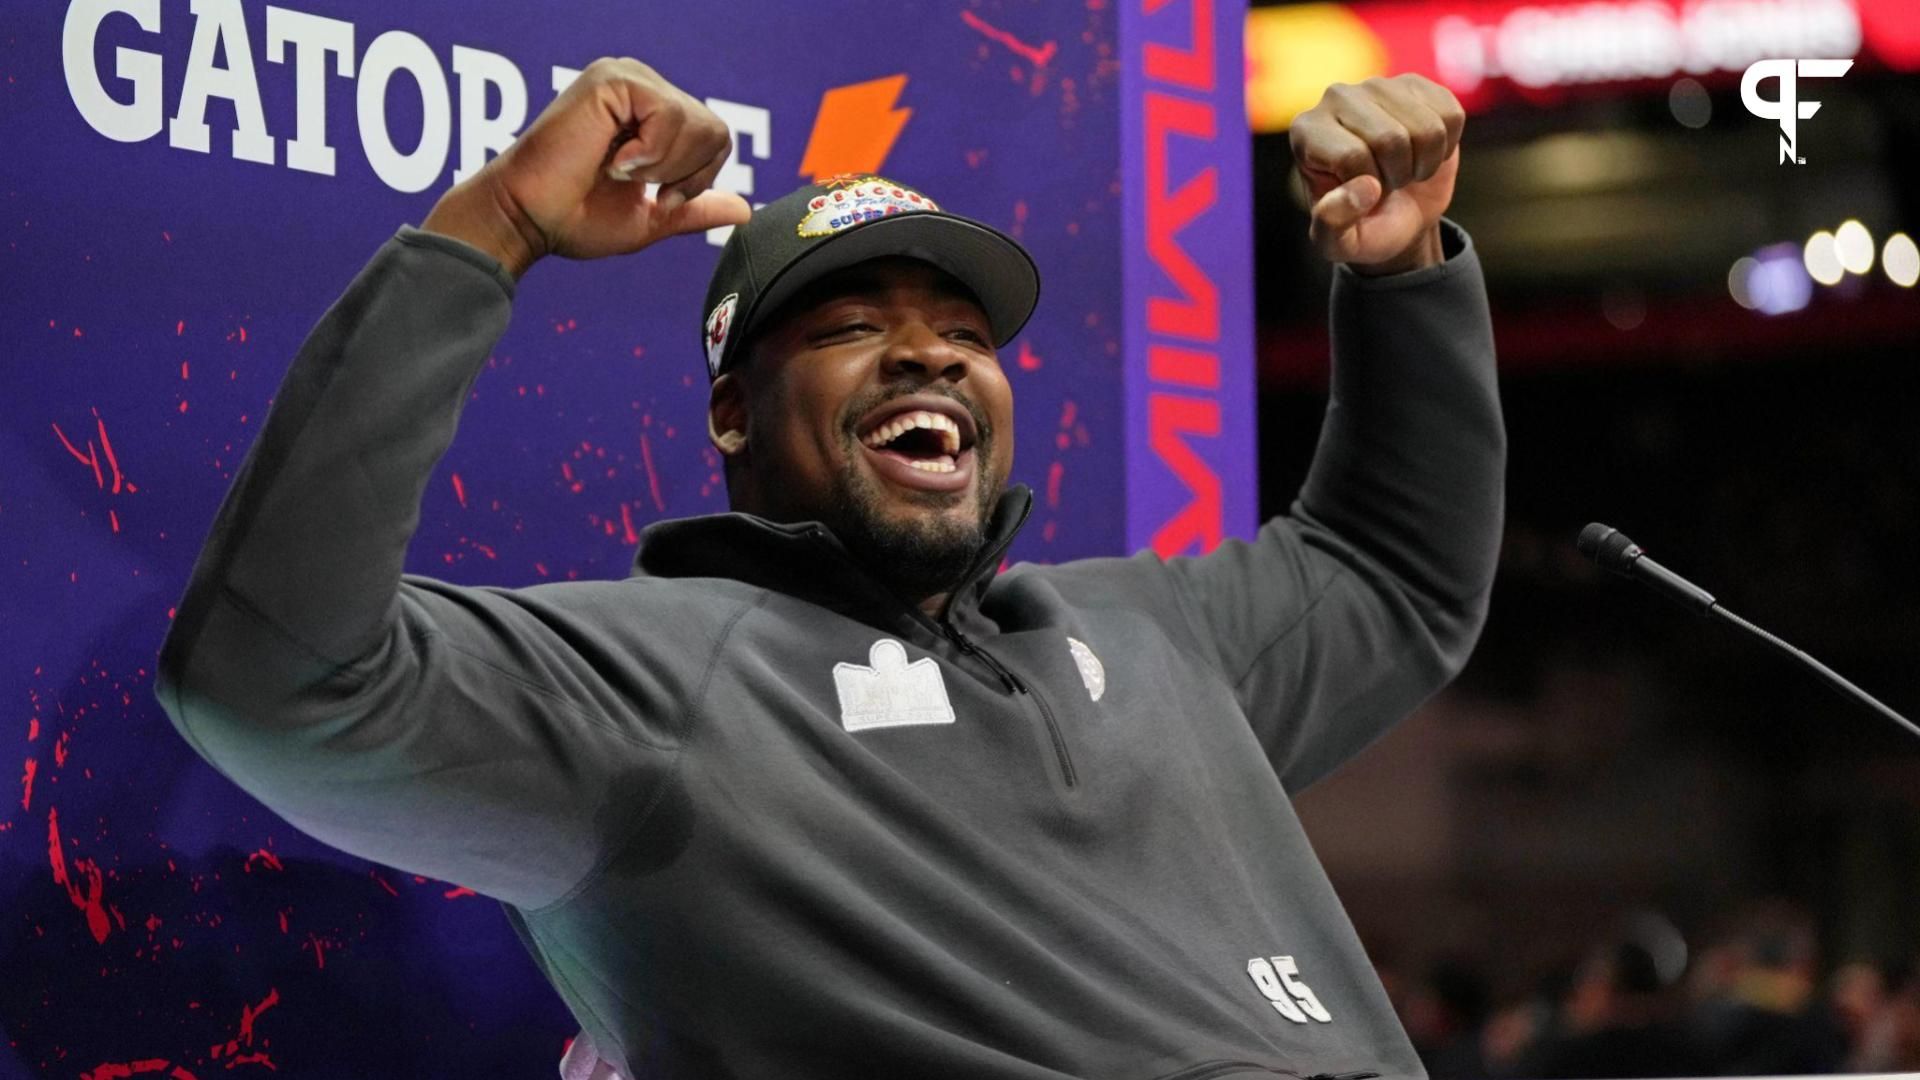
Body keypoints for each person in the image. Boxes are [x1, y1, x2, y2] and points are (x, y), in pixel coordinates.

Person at [155, 56, 1502, 1079]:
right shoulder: (654, 680)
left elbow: (1393, 576)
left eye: (964, 333)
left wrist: (1400, 281)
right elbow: (275, 679)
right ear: (733, 412)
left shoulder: (1154, 625)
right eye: (854, 325)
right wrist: (497, 220)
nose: (927, 355)